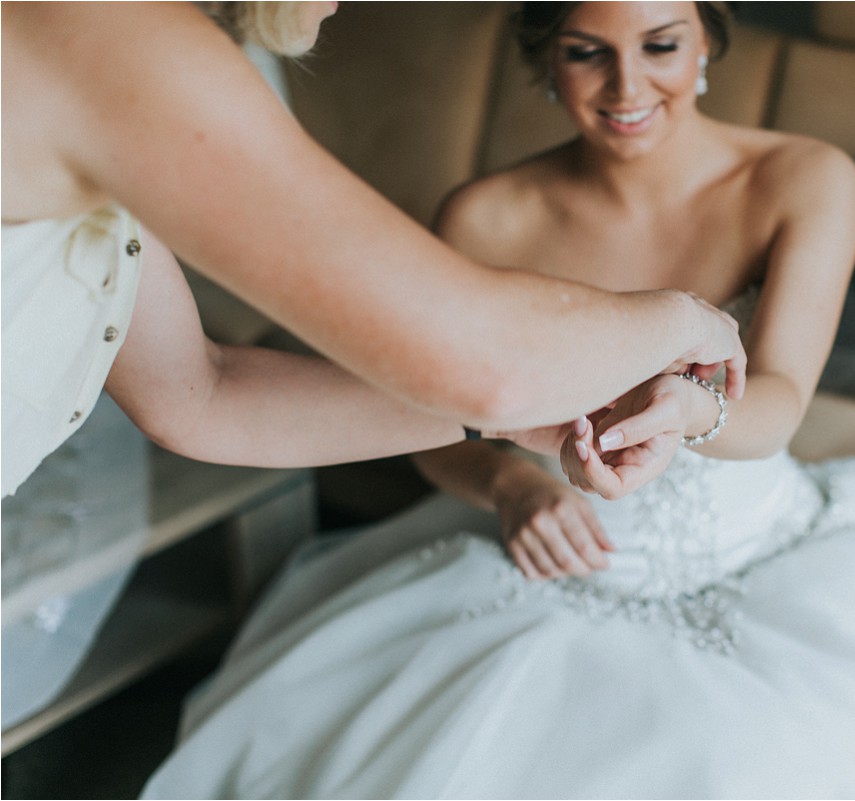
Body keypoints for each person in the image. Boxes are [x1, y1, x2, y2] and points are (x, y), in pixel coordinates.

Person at [141, 3, 855, 798]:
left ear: (706, 45)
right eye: (585, 51)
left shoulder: (804, 180)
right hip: (550, 553)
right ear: (546, 67)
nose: (625, 86)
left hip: (763, 537)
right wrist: (510, 486)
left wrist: (697, 413)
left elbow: (778, 400)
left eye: (659, 42)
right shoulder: (487, 217)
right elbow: (441, 417)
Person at [0, 0, 747, 498]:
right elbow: (494, 360)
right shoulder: (123, 42)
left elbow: (199, 396)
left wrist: (506, 424)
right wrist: (690, 321)